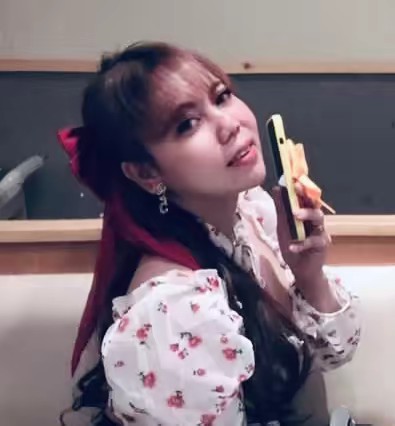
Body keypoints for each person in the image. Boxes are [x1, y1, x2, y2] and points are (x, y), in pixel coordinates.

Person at [58, 41, 361, 426]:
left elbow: (330, 355)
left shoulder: (252, 211)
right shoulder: (176, 309)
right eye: (187, 124)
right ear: (147, 172)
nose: (229, 124)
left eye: (222, 97)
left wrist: (308, 273)